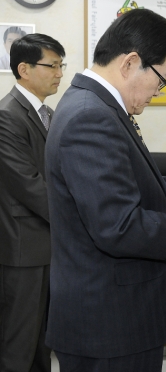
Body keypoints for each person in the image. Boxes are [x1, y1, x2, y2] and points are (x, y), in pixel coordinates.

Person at [45, 9, 166, 372]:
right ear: (130, 63)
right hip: (111, 324)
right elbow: (117, 226)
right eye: (161, 79)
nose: (157, 90)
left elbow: (137, 185)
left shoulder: (96, 107)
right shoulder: (91, 117)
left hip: (116, 316)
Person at [0, 33, 66, 372]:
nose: (59, 73)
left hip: (49, 243)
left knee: (43, 339)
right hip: (24, 248)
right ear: (24, 69)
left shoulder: (48, 113)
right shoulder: (7, 116)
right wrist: (78, 218)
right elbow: (30, 185)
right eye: (52, 65)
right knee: (18, 341)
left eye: (61, 65)